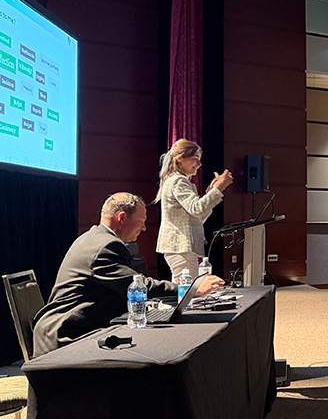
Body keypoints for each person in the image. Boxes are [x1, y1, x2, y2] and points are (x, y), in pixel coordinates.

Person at [32, 193, 226, 357]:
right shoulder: (106, 246)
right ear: (122, 218)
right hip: (67, 334)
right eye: (141, 222)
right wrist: (190, 289)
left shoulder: (95, 237)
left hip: (73, 326)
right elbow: (138, 286)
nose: (143, 228)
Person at [155, 139, 234, 281]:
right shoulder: (178, 181)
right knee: (187, 291)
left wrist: (211, 191)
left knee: (185, 289)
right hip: (179, 246)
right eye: (195, 159)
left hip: (180, 247)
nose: (199, 164)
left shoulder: (177, 180)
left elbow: (196, 217)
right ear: (180, 159)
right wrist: (219, 188)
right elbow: (197, 209)